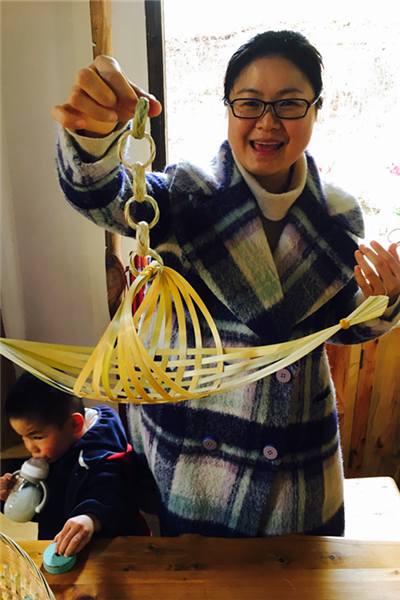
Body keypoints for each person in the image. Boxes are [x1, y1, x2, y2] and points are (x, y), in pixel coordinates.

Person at [51, 30, 400, 538]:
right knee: (196, 572)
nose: (267, 122)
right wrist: (93, 138)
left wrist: (384, 301)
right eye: (249, 103)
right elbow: (106, 198)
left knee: (298, 574)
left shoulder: (338, 214)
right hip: (195, 455)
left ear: (317, 109)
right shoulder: (187, 193)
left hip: (296, 456)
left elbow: (341, 326)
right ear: (229, 110)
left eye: (289, 103)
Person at [0, 372, 149, 555]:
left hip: (107, 554)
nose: (30, 447)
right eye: (23, 437)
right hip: (62, 548)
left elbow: (117, 503)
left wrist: (91, 518)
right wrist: (17, 496)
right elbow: (51, 509)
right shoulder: (56, 450)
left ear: (74, 424)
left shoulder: (103, 458)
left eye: (36, 437)